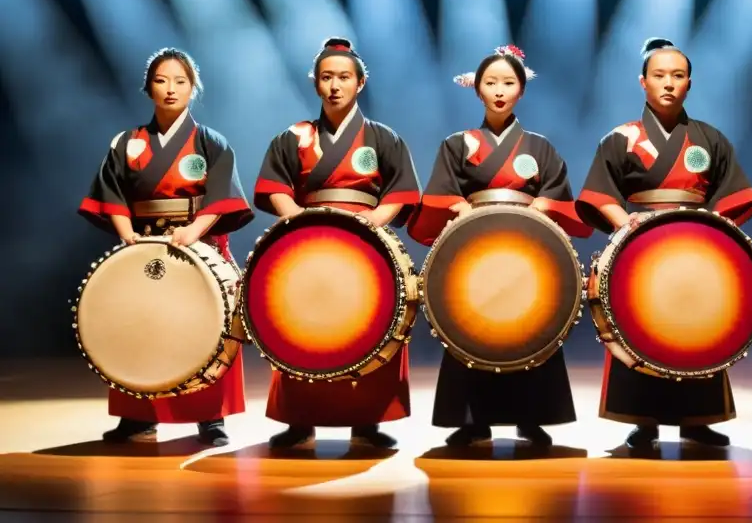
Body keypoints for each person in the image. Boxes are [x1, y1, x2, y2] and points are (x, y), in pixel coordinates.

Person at [575, 37, 752, 451]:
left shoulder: (709, 138)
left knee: (698, 325)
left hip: (696, 249)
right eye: (659, 76)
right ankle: (642, 420)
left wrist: (711, 232)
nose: (669, 84)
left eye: (677, 76)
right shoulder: (621, 138)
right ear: (643, 82)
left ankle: (700, 419)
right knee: (636, 323)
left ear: (690, 83)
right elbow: (599, 193)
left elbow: (732, 198)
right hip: (638, 247)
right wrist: (626, 224)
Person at [408, 44, 592, 448]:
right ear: (477, 89)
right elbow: (443, 192)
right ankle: (472, 419)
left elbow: (556, 191)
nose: (499, 90)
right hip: (475, 250)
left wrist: (540, 205)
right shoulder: (457, 144)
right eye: (491, 82)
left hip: (527, 252)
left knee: (532, 325)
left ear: (521, 90)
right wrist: (462, 208)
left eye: (508, 82)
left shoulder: (539, 147)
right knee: (469, 325)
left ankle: (533, 417)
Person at [79, 48, 254, 446]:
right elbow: (112, 194)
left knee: (209, 324)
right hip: (142, 243)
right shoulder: (127, 142)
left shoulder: (210, 141)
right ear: (148, 88)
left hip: (199, 241)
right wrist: (127, 236)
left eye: (180, 81)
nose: (171, 89)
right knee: (137, 325)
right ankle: (137, 415)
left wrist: (195, 230)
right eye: (161, 81)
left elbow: (223, 196)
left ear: (193, 88)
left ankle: (211, 417)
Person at [253, 37, 421, 450]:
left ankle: (367, 419)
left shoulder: (381, 137)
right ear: (315, 84)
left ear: (360, 83)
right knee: (300, 324)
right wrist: (298, 219)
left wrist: (372, 224)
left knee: (372, 323)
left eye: (344, 77)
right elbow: (276, 186)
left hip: (366, 242)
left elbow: (401, 192)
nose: (334, 85)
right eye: (326, 77)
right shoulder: (295, 137)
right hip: (307, 241)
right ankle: (299, 419)